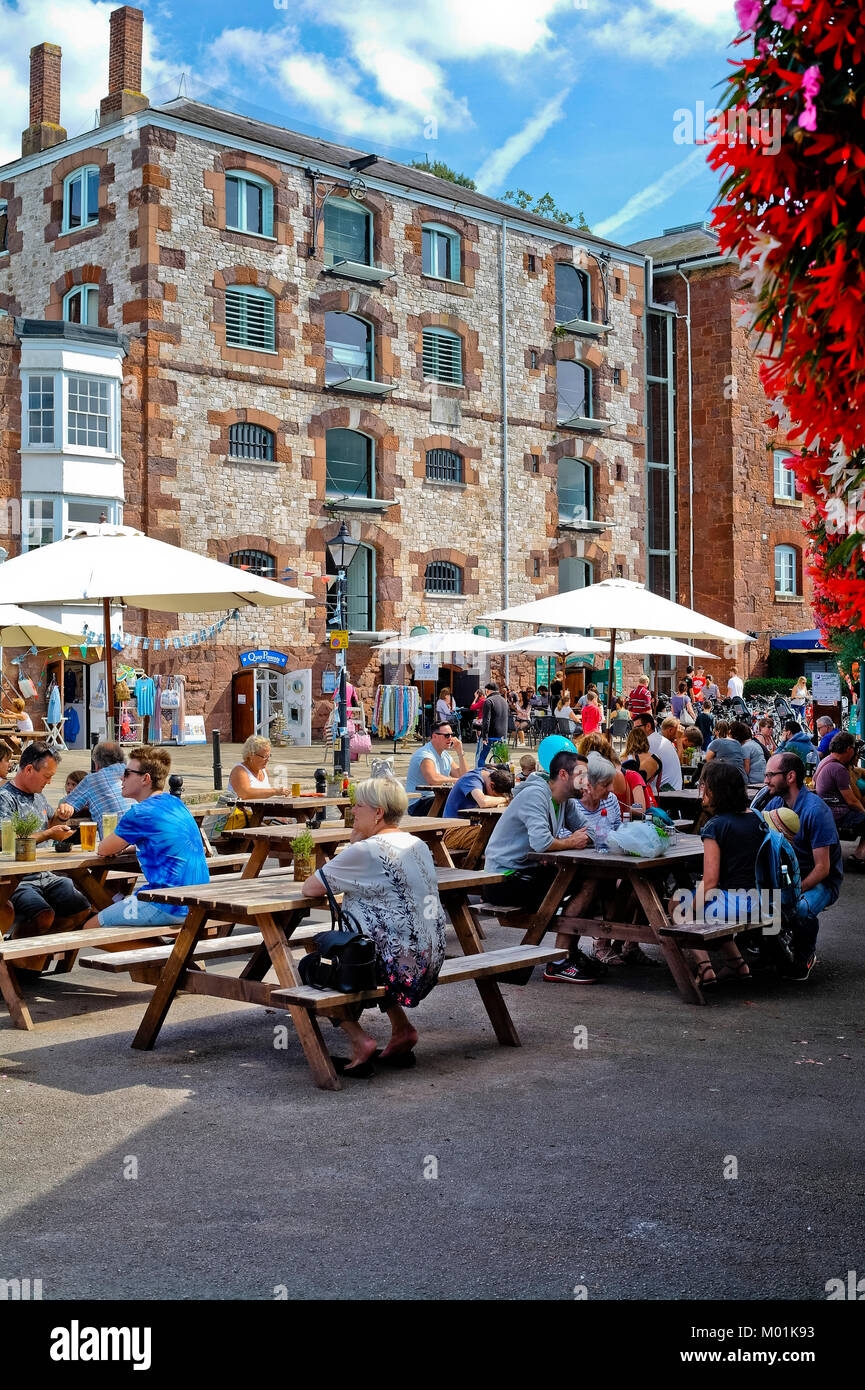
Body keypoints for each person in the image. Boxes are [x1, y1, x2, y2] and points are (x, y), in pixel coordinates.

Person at [301, 778, 447, 1072]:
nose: (353, 810)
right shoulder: (416, 843)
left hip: (398, 966)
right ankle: (402, 1029)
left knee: (312, 965)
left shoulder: (367, 850)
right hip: (430, 959)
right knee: (377, 942)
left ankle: (359, 1040)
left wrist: (355, 844)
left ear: (378, 813)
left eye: (358, 805)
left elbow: (310, 888)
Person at [483, 749, 607, 984]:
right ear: (563, 774)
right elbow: (541, 843)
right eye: (582, 775)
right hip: (503, 880)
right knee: (583, 880)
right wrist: (570, 842)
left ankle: (565, 954)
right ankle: (559, 961)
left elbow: (590, 831)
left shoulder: (564, 802)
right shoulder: (535, 796)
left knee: (591, 879)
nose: (586, 781)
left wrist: (572, 841)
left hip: (528, 873)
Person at [90, 746, 210, 930]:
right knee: (123, 916)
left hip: (165, 903)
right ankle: (169, 956)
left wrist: (117, 847)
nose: (121, 778)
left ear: (145, 779)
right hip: (197, 901)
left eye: (127, 773)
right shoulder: (175, 803)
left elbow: (104, 849)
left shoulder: (139, 813)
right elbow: (158, 844)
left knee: (90, 927)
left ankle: (169, 957)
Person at [764, 751, 843, 979]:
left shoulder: (815, 811)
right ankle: (771, 951)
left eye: (771, 774)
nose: (766, 779)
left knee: (800, 909)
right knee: (764, 903)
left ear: (790, 777)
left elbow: (823, 868)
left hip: (821, 881)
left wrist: (793, 892)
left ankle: (805, 955)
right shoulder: (776, 803)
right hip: (788, 876)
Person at [686, 761, 764, 986]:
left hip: (736, 904)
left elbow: (710, 881)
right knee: (704, 902)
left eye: (704, 785)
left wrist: (690, 910)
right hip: (763, 900)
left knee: (677, 905)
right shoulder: (757, 818)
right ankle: (737, 965)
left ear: (713, 790)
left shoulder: (715, 825)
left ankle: (705, 969)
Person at [0, 743, 83, 940]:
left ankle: (34, 956)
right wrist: (48, 835)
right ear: (29, 769)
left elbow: (50, 824)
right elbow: (7, 842)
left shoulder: (38, 795)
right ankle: (19, 959)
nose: (50, 781)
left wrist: (62, 817)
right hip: (17, 878)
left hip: (47, 873)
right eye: (47, 776)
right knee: (43, 915)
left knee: (82, 908)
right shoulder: (5, 798)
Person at [55, 741, 132, 836]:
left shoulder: (92, 780)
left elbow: (64, 808)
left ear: (97, 764)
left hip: (115, 843)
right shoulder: (134, 772)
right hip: (144, 839)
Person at [814, 732, 865, 871]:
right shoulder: (838, 769)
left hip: (826, 810)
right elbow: (852, 801)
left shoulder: (826, 761)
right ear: (849, 749)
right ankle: (860, 855)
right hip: (837, 815)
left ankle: (860, 853)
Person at [442, 764, 514, 856]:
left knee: (509, 833)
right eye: (495, 796)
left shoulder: (493, 775)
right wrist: (506, 800)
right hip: (453, 832)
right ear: (492, 785)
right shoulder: (472, 778)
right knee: (500, 838)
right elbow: (483, 801)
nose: (493, 799)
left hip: (475, 828)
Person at [405, 720, 468, 816]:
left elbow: (463, 775)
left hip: (437, 798)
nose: (450, 738)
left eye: (452, 735)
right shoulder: (425, 754)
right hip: (419, 802)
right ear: (434, 736)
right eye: (446, 735)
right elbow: (433, 779)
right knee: (458, 805)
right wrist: (458, 780)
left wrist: (460, 752)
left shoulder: (445, 755)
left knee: (467, 802)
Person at [228, 736, 290, 803]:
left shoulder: (263, 770)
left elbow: (264, 794)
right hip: (242, 812)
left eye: (268, 756)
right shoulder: (239, 770)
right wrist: (275, 791)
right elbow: (245, 793)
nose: (267, 760)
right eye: (264, 756)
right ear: (251, 755)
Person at [633, 712, 682, 791]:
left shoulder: (648, 742)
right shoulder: (660, 739)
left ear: (648, 726)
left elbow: (631, 765)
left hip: (665, 793)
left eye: (637, 728)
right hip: (674, 789)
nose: (634, 732)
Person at [622, 724, 661, 802]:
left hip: (634, 798)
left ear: (630, 741)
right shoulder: (657, 758)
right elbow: (658, 783)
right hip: (652, 796)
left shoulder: (626, 758)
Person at [477, 682, 510, 768]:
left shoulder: (488, 701)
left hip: (490, 735)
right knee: (502, 761)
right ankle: (502, 777)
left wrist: (485, 736)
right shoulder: (504, 701)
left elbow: (486, 720)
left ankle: (478, 774)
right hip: (502, 735)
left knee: (480, 758)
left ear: (487, 691)